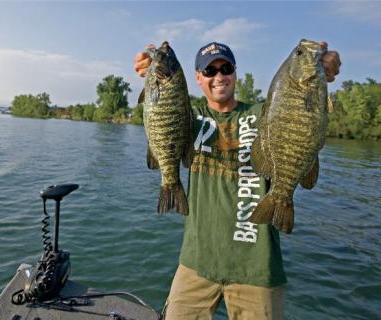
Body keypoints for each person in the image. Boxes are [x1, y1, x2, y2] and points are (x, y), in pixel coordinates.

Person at [133, 41, 341, 320]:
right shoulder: (190, 119)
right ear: (198, 78)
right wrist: (149, 70)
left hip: (256, 268)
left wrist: (323, 70)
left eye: (225, 68)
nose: (219, 76)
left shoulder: (263, 115)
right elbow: (163, 114)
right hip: (196, 262)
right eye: (209, 70)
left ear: (235, 73)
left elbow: (296, 111)